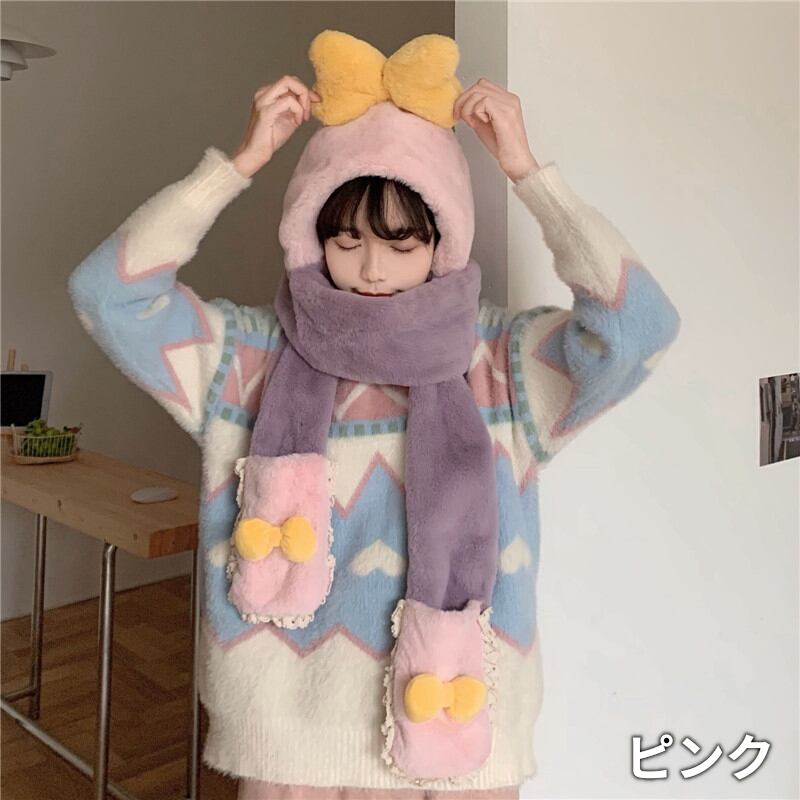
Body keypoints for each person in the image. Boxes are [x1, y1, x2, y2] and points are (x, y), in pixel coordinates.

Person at [68, 29, 680, 800]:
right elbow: (107, 296)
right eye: (345, 238)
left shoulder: (503, 367)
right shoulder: (247, 360)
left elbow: (639, 327)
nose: (369, 269)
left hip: (459, 746)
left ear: (443, 242)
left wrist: (531, 177)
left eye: (401, 244)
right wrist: (236, 167)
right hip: (291, 752)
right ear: (310, 237)